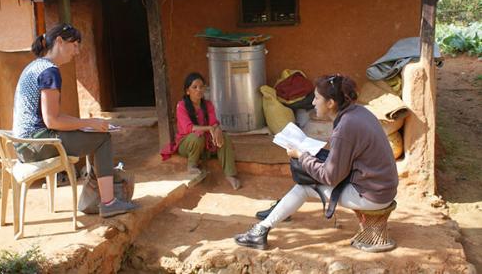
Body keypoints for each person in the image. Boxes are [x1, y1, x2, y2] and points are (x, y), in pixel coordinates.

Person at [234, 74, 399, 249]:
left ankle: (261, 230)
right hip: (381, 187)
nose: (313, 102)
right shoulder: (359, 112)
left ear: (331, 103)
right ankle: (276, 214)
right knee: (313, 167)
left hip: (371, 196)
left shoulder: (345, 127)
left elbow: (330, 177)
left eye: (317, 98)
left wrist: (301, 156)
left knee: (304, 187)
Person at [12, 23, 138, 218]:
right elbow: (52, 120)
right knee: (103, 139)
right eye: (75, 45)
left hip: (25, 145)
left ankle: (97, 198)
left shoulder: (35, 65)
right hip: (36, 144)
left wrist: (87, 124)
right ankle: (108, 202)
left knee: (93, 135)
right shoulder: (49, 71)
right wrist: (89, 123)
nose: (77, 51)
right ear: (60, 42)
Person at [161, 72, 241, 190]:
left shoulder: (208, 105)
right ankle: (192, 166)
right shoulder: (181, 106)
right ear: (187, 91)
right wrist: (209, 128)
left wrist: (217, 129)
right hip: (187, 145)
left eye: (201, 86)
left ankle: (230, 175)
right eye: (194, 87)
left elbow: (214, 122)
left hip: (206, 144)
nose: (199, 90)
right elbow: (189, 128)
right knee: (197, 136)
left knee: (224, 137)